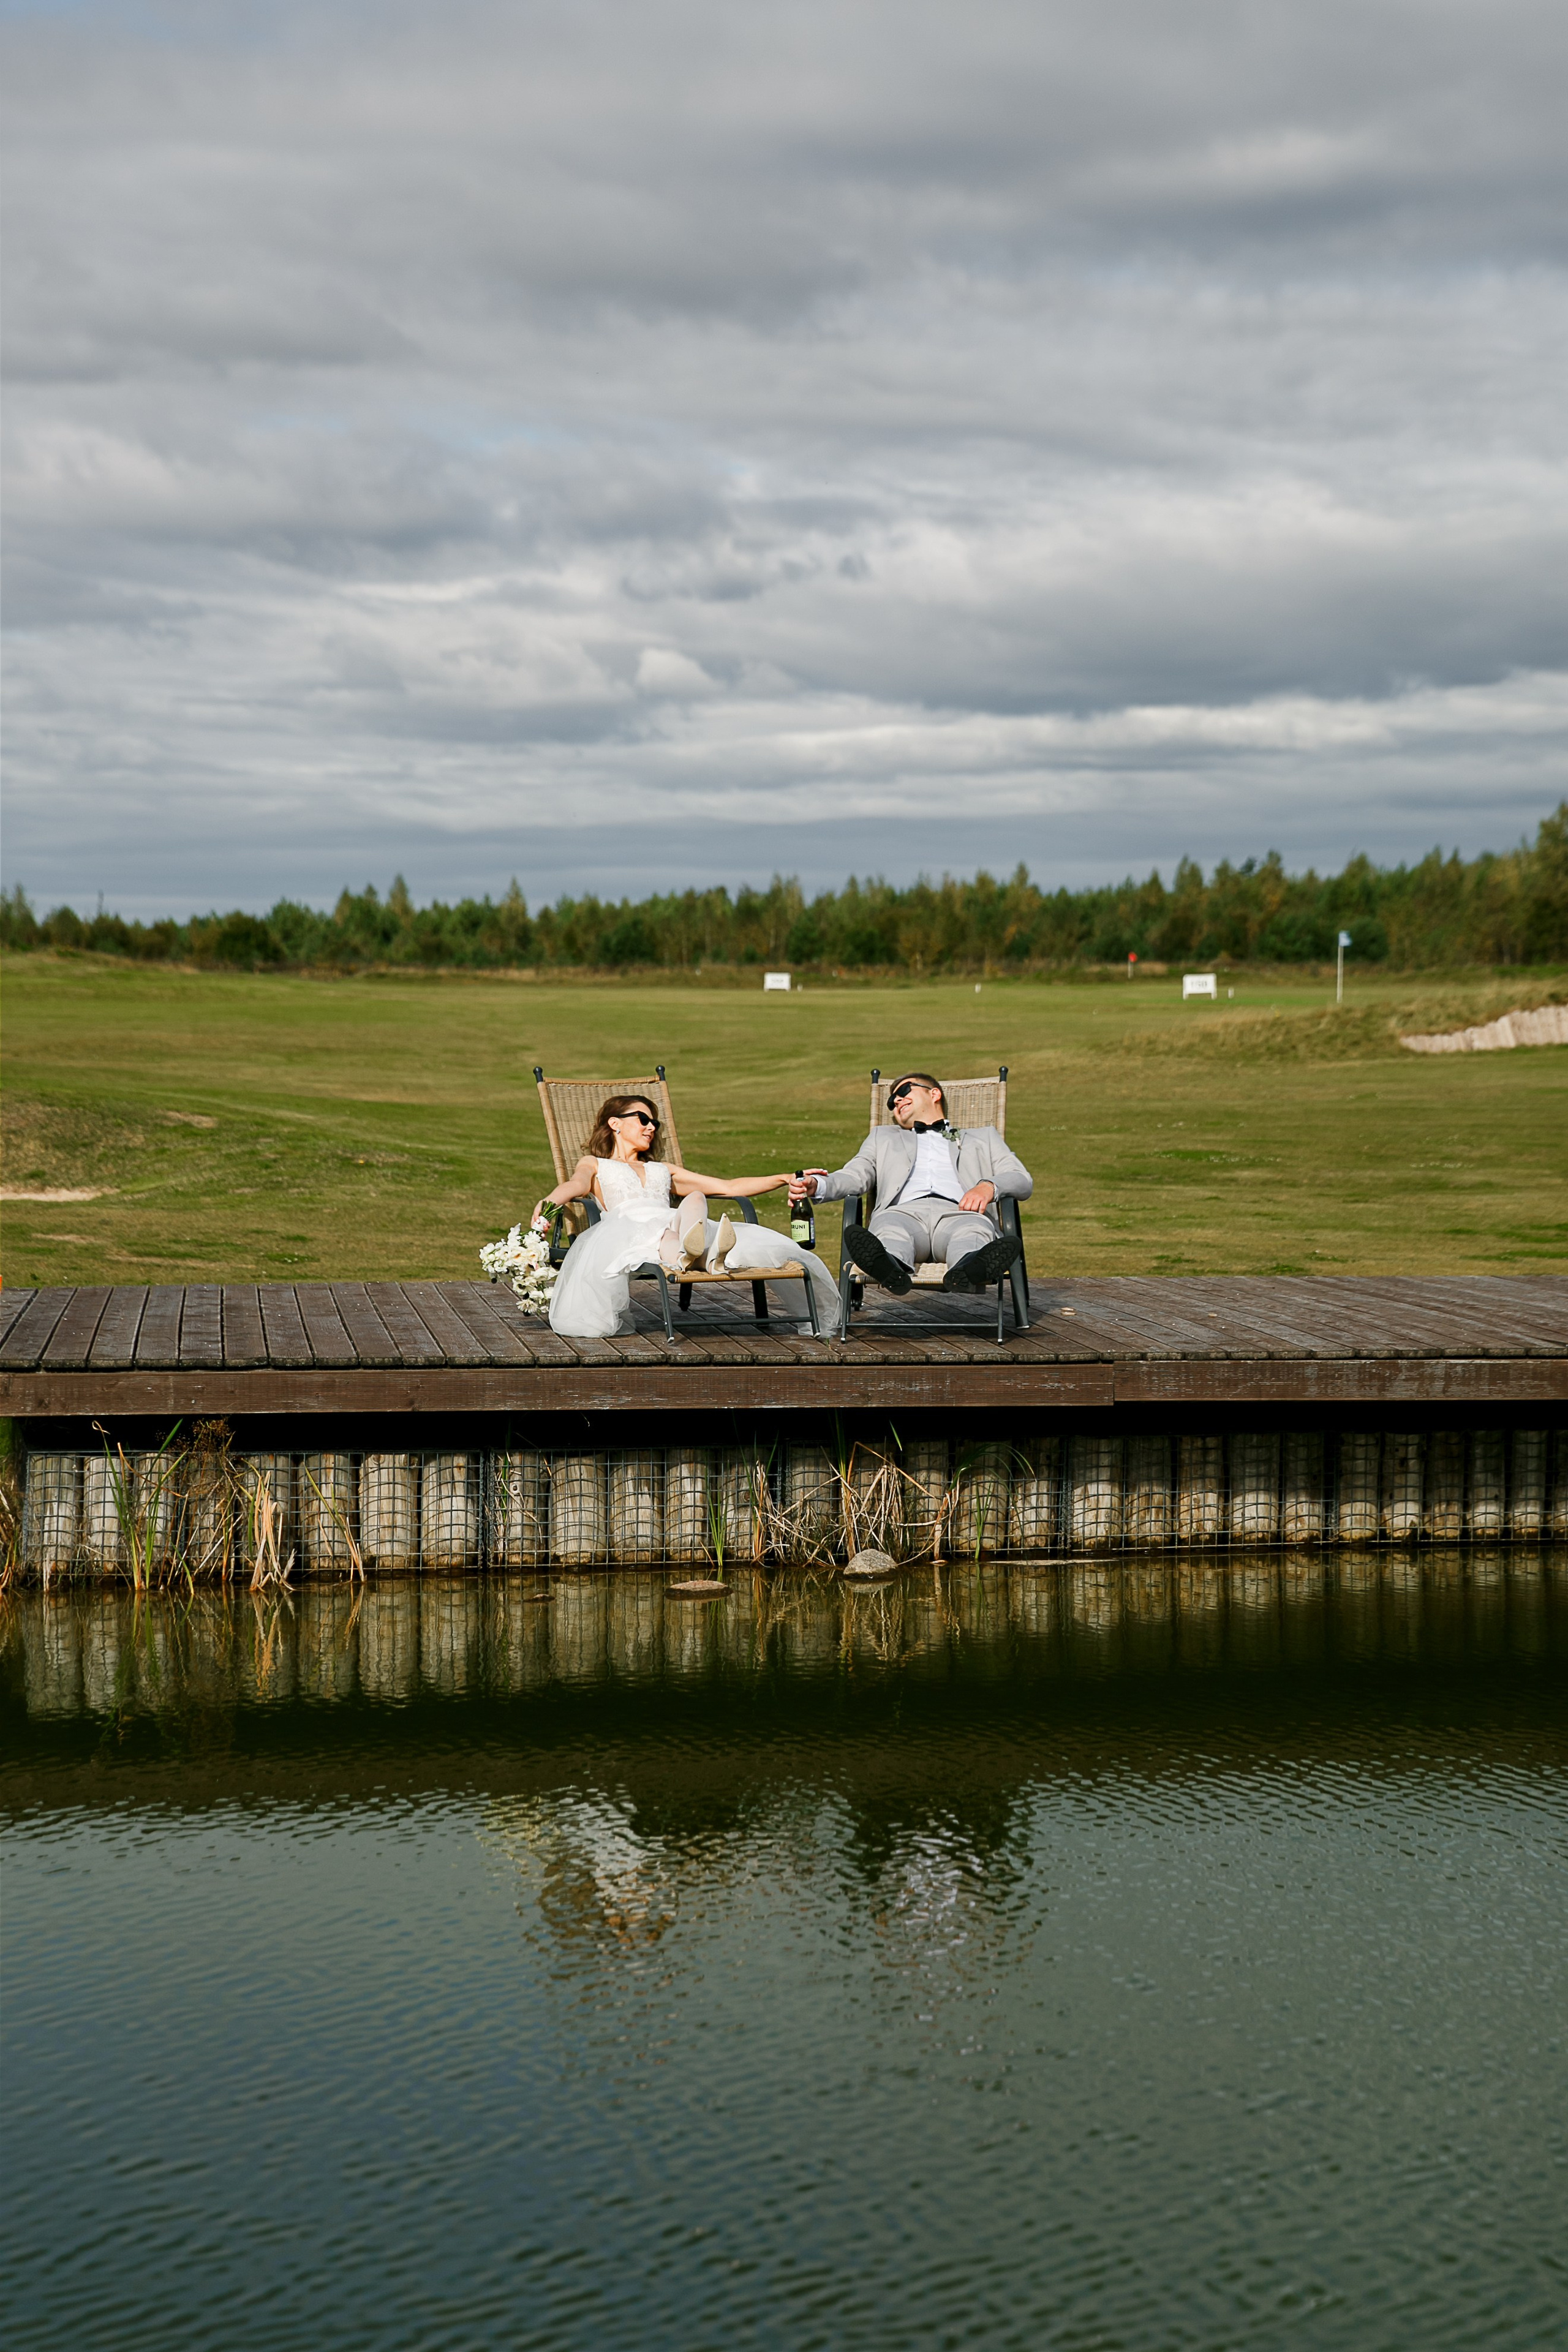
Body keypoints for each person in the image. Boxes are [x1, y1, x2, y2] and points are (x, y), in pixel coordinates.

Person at [545, 1094, 843, 1340]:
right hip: (628, 1227)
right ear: (615, 1124)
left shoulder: (663, 1169)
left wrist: (783, 1177)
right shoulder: (596, 1164)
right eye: (644, 1120)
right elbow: (576, 1186)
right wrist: (547, 1205)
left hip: (676, 1222)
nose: (652, 1128)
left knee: (697, 1198)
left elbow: (728, 1187)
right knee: (665, 1234)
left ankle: (693, 1253)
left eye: (655, 1123)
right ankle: (699, 1256)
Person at [789, 1071, 1030, 1295]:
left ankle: (967, 1271)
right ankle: (891, 1268)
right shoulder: (882, 1137)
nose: (896, 1101)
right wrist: (818, 1185)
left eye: (904, 1092)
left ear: (934, 1093)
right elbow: (855, 1174)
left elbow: (1020, 1178)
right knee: (891, 1232)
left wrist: (987, 1186)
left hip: (961, 1212)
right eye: (892, 1101)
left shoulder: (983, 1137)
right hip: (903, 1214)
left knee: (971, 1234)